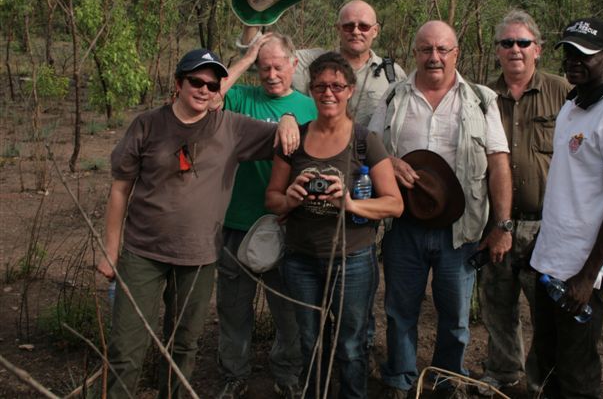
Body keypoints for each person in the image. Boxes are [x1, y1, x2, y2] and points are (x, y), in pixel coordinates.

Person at [96, 49, 299, 399]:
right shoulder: (148, 124)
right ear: (178, 83)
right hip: (142, 252)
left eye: (212, 83)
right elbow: (119, 189)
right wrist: (109, 250)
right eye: (196, 81)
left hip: (199, 256)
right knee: (126, 348)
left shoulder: (231, 127)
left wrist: (288, 118)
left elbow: (286, 138)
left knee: (184, 345)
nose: (204, 89)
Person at [368, 21, 513, 399]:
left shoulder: (481, 99)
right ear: (415, 53)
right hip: (405, 225)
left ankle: (447, 380)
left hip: (460, 230)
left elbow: (498, 163)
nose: (434, 57)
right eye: (426, 49)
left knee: (456, 318)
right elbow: (369, 147)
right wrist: (390, 162)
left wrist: (502, 225)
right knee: (400, 311)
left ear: (455, 54)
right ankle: (400, 379)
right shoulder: (394, 97)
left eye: (442, 50)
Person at [265, 52, 403, 399]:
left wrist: (350, 203)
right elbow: (273, 198)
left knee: (351, 345)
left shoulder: (364, 140)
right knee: (309, 343)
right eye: (321, 86)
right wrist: (292, 198)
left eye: (337, 86)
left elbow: (394, 203)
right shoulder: (294, 139)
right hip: (301, 259)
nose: (329, 93)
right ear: (310, 90)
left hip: (352, 259)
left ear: (350, 90)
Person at [530, 18, 603, 398]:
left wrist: (588, 275)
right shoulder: (572, 106)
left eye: (586, 54)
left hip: (582, 270)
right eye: (569, 52)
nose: (574, 60)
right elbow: (568, 185)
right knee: (547, 363)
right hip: (552, 259)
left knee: (578, 375)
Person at [214, 32, 317, 399]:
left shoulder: (311, 106)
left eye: (277, 66)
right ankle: (234, 373)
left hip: (286, 225)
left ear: (293, 64)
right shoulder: (242, 98)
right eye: (263, 68)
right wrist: (246, 56)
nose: (271, 74)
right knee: (233, 307)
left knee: (287, 310)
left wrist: (289, 116)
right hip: (236, 221)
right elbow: (213, 93)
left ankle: (287, 372)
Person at [477, 10, 571, 396]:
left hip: (546, 224)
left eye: (522, 43)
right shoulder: (482, 97)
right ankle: (503, 375)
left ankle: (543, 380)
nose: (514, 50)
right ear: (496, 50)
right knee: (497, 307)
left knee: (547, 311)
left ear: (538, 49)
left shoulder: (563, 92)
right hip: (496, 223)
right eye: (506, 43)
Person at [242, 0, 406, 126]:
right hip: (319, 158)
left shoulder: (392, 73)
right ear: (338, 29)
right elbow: (256, 58)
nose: (356, 32)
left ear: (375, 31)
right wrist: (253, 11)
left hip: (370, 162)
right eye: (348, 26)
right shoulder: (311, 62)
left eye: (363, 26)